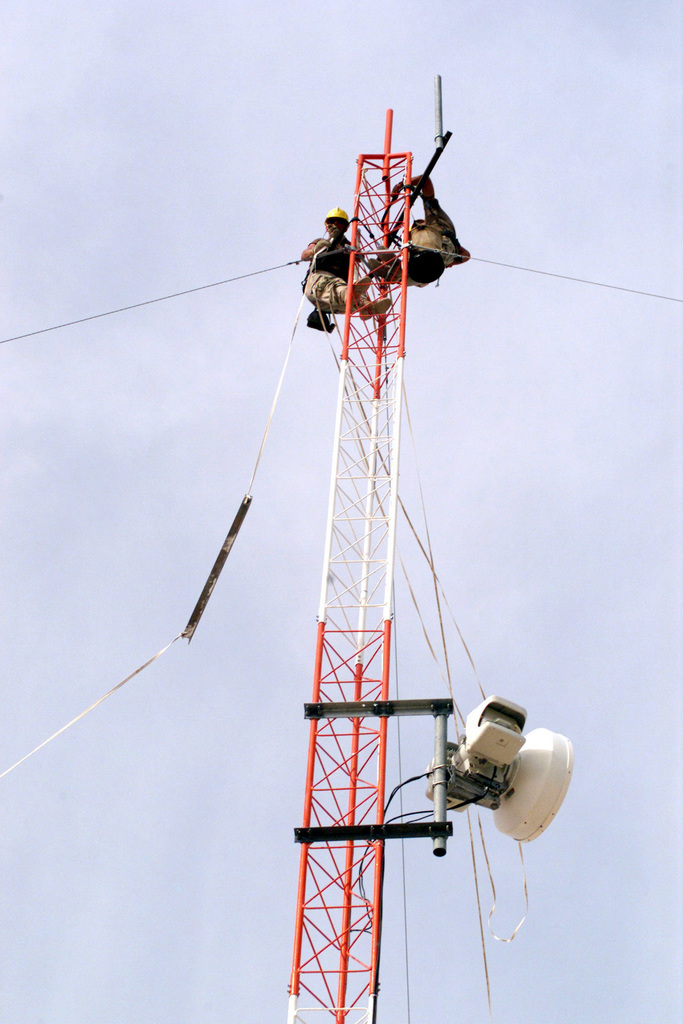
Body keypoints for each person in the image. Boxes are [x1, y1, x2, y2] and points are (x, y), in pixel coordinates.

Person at [302, 208, 391, 330]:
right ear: (326, 226)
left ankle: (367, 307)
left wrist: (354, 248)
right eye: (332, 221)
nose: (335, 224)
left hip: (339, 301)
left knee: (353, 289)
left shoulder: (349, 245)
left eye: (340, 222)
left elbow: (359, 259)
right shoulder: (321, 242)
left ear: (346, 227)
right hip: (320, 284)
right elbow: (305, 256)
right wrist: (316, 249)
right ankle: (358, 300)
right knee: (342, 289)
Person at [404, 175, 470, 286]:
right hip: (436, 262)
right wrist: (450, 261)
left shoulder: (432, 218)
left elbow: (426, 181)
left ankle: (392, 271)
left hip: (435, 253)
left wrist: (404, 184)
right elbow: (466, 256)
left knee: (407, 271)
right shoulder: (442, 244)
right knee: (401, 276)